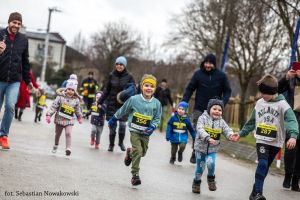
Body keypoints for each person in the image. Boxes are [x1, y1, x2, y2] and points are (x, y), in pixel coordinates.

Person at [232, 74, 299, 200]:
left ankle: (253, 194)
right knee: (262, 164)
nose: (262, 95)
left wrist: (293, 136)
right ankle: (258, 193)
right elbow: (252, 121)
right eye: (261, 92)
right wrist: (241, 133)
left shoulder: (282, 104)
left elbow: (291, 120)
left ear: (273, 92)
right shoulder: (259, 103)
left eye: (265, 93)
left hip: (275, 142)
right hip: (262, 140)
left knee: (265, 167)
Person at [108, 74, 161, 186]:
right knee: (138, 151)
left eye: (152, 86)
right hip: (134, 130)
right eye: (146, 85)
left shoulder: (157, 103)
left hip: (146, 132)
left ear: (154, 89)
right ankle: (135, 175)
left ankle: (130, 152)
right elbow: (123, 109)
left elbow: (157, 118)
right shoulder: (134, 99)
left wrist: (152, 127)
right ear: (142, 86)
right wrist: (114, 118)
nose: (149, 88)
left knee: (143, 153)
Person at [182, 53, 232, 163]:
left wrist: (222, 103)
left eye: (210, 63)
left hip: (214, 110)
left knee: (210, 131)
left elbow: (228, 91)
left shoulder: (221, 76)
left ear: (214, 64)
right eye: (206, 62)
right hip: (199, 107)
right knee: (199, 129)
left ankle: (208, 153)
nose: (208, 65)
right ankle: (195, 152)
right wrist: (184, 102)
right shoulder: (198, 74)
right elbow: (189, 89)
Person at [0, 12, 33, 150]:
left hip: (14, 80)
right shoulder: (0, 34)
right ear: (9, 22)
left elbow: (25, 62)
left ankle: (3, 135)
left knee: (10, 106)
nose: (16, 25)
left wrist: (28, 80)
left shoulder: (23, 40)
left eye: (19, 23)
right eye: (14, 22)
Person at [192, 98, 235, 194]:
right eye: (214, 109)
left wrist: (231, 135)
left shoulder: (221, 122)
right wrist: (207, 137)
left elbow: (227, 130)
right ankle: (196, 182)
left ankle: (211, 178)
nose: (217, 111)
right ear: (209, 109)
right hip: (200, 148)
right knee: (200, 168)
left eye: (220, 110)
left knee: (211, 163)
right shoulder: (202, 118)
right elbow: (199, 129)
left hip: (212, 149)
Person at [99, 56, 135, 152]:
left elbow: (133, 90)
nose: (119, 66)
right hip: (112, 104)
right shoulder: (111, 75)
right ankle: (111, 145)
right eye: (117, 64)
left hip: (124, 105)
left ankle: (120, 143)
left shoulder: (129, 77)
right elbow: (107, 90)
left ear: (124, 65)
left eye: (121, 64)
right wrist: (100, 102)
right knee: (112, 126)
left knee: (123, 125)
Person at [46, 78, 83, 156]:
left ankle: (68, 149)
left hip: (69, 120)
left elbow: (77, 109)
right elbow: (54, 106)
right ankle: (56, 145)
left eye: (72, 90)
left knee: (68, 133)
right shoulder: (60, 97)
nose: (70, 91)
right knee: (57, 134)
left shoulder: (76, 100)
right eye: (69, 89)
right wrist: (49, 115)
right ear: (66, 89)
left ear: (74, 91)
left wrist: (79, 117)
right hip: (59, 119)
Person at [278, 68, 300, 191]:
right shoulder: (291, 79)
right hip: (293, 118)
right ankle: (288, 176)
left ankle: (296, 180)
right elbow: (277, 90)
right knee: (291, 149)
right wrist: (286, 77)